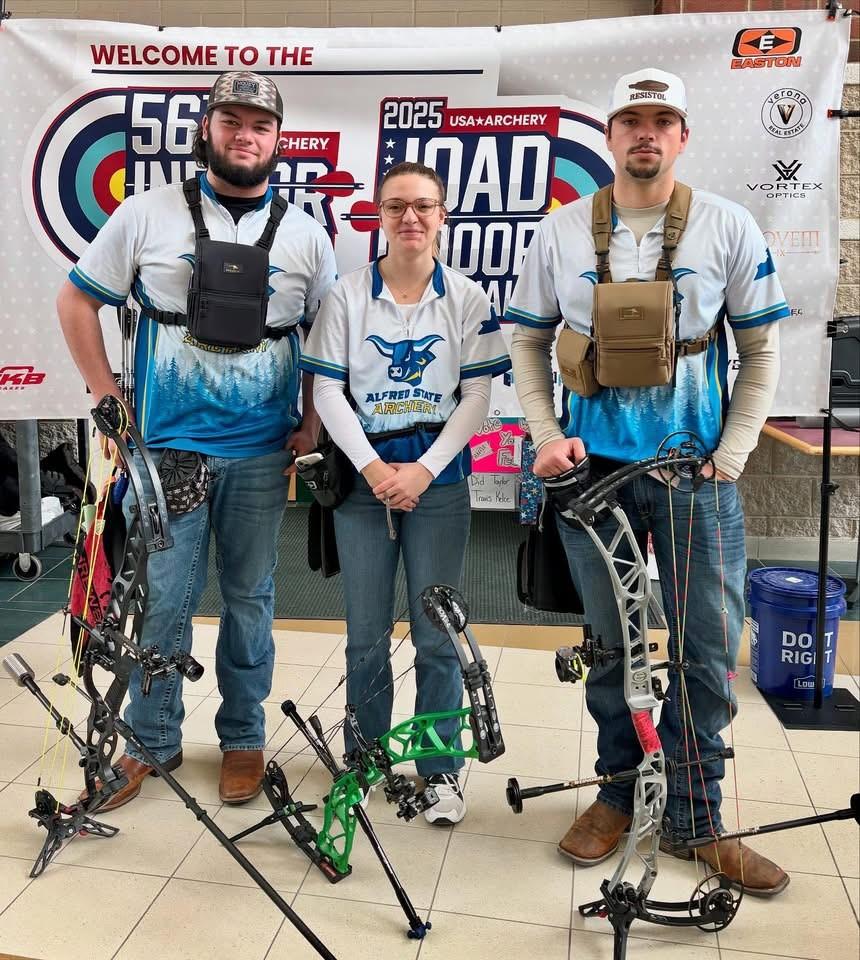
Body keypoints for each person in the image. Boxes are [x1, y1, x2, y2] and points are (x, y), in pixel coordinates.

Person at [508, 68, 789, 895]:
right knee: (610, 649)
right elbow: (527, 343)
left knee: (706, 649)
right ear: (611, 134)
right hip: (592, 480)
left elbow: (763, 351)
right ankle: (618, 795)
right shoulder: (560, 233)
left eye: (662, 120)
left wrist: (732, 452)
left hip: (695, 477)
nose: (646, 133)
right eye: (631, 119)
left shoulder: (727, 226)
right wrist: (547, 435)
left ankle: (699, 817)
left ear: (682, 136)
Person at [57, 71, 337, 809]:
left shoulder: (307, 235)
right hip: (166, 449)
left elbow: (326, 336)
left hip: (260, 451)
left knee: (251, 598)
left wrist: (311, 419)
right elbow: (77, 298)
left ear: (278, 140)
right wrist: (104, 393)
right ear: (206, 130)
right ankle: (151, 739)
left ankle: (242, 737)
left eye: (260, 125)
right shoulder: (146, 215)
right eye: (231, 121)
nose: (245, 136)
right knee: (163, 598)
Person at [300, 161, 510, 824]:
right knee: (365, 632)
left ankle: (441, 770)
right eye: (396, 207)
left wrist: (422, 470)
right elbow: (327, 390)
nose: (410, 218)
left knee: (437, 633)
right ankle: (365, 758)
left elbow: (478, 395)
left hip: (438, 485)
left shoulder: (468, 299)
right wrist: (369, 468)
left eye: (423, 206)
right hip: (365, 483)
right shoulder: (347, 296)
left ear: (442, 216)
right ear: (379, 217)